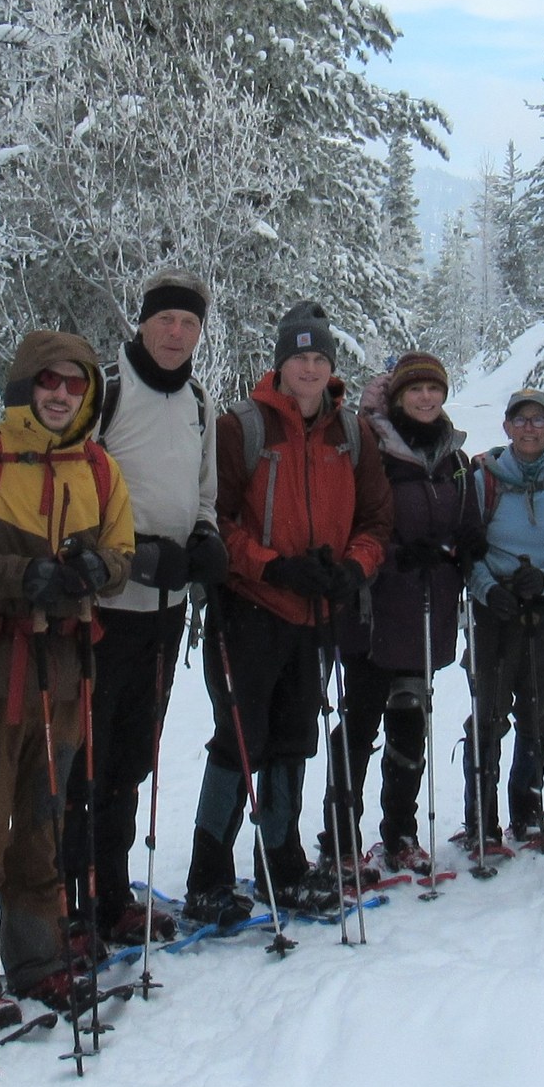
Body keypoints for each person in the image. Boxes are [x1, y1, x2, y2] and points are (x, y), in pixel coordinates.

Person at [0, 331, 134, 1035]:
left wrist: (94, 570)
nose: (62, 394)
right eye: (50, 381)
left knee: (44, 820)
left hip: (65, 668)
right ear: (24, 385)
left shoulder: (97, 468)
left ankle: (37, 960)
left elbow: (123, 550)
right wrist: (20, 577)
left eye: (75, 385)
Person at [182, 302, 392, 925]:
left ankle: (282, 863)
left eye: (319, 357)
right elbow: (213, 520)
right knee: (240, 741)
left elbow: (377, 521)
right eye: (298, 356)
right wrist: (271, 565)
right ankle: (208, 876)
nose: (308, 367)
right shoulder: (241, 428)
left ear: (331, 366)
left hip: (316, 614)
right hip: (249, 607)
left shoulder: (351, 435)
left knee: (294, 741)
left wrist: (352, 568)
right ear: (280, 363)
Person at [61, 271, 228, 947]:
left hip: (164, 607)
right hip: (105, 605)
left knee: (131, 758)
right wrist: (126, 548)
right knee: (86, 759)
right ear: (143, 321)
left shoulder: (197, 402)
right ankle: (72, 904)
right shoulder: (106, 392)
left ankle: (113, 893)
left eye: (188, 324)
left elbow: (204, 494)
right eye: (165, 320)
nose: (176, 333)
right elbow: (69, 487)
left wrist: (206, 540)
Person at [314, 351, 482, 878]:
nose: (426, 398)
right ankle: (339, 840)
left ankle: (400, 833)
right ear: (399, 396)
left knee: (410, 718)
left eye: (434, 389)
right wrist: (386, 555)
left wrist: (460, 552)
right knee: (360, 722)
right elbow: (353, 519)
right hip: (372, 605)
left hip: (426, 607)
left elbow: (468, 524)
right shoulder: (372, 448)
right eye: (416, 390)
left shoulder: (454, 457)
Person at [460, 388, 544, 854]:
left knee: (537, 712)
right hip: (494, 612)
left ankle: (528, 812)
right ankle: (482, 819)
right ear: (507, 427)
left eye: (539, 420)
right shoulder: (484, 480)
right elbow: (465, 547)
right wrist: (489, 589)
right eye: (521, 420)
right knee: (489, 714)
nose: (530, 427)